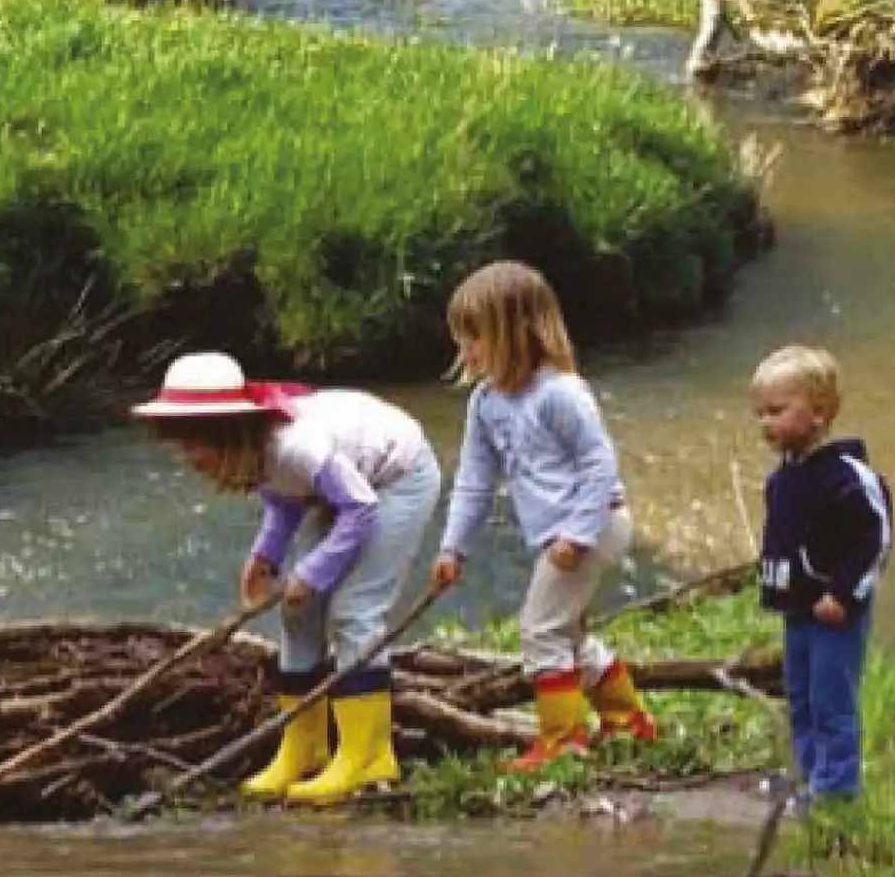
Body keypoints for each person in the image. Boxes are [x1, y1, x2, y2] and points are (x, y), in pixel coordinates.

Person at [133, 351, 442, 805]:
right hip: (341, 491)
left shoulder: (294, 447)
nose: (188, 457)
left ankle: (369, 756)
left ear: (227, 432)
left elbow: (359, 507)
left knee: (354, 610)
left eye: (193, 443)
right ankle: (304, 747)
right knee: (298, 615)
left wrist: (313, 572)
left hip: (395, 478)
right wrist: (265, 559)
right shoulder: (257, 455)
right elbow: (284, 502)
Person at [429, 260, 657, 770]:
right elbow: (474, 481)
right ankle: (627, 720)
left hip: (595, 522)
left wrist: (577, 535)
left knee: (539, 627)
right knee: (567, 633)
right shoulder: (485, 404)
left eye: (475, 338)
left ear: (515, 334)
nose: (466, 352)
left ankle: (563, 737)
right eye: (462, 340)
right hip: (562, 532)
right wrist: (452, 547)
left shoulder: (560, 394)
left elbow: (601, 467)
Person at [752, 344, 891, 807]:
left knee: (833, 700)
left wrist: (844, 594)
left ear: (819, 412)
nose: (765, 423)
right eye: (760, 413)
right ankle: (810, 775)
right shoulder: (783, 478)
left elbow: (874, 539)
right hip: (798, 609)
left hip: (836, 612)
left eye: (776, 411)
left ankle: (837, 791)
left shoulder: (846, 476)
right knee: (801, 696)